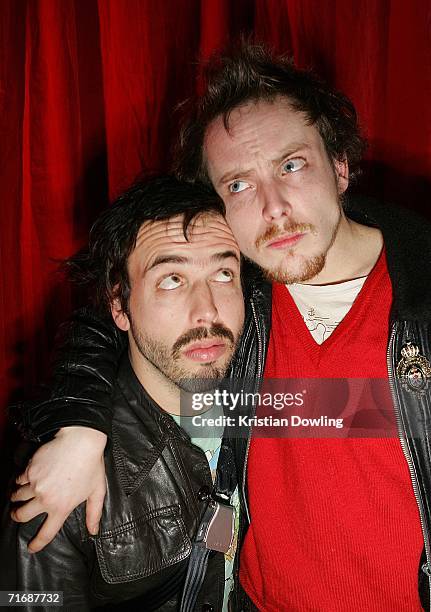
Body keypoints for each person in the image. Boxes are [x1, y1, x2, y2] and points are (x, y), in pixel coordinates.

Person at [10, 43, 431, 610]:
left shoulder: (419, 298)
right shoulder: (243, 295)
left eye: (291, 164)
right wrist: (79, 428)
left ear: (341, 164)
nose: (274, 207)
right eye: (238, 185)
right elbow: (128, 325)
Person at [1, 175, 245, 610]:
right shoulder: (61, 484)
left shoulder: (273, 396)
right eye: (172, 279)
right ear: (119, 306)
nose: (207, 309)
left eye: (224, 273)